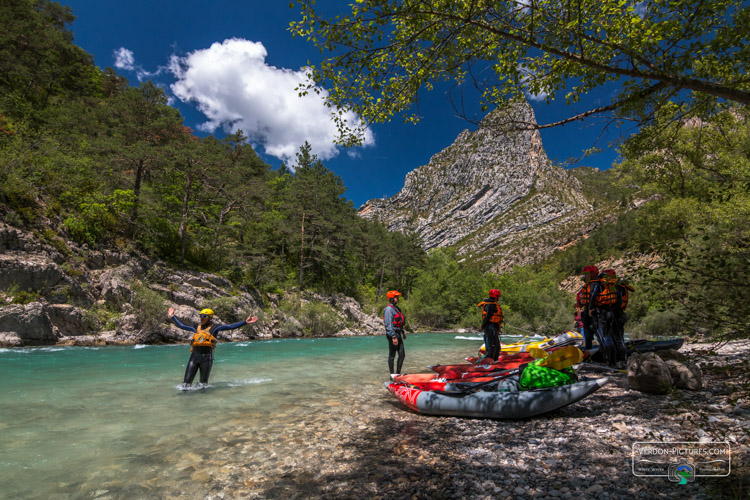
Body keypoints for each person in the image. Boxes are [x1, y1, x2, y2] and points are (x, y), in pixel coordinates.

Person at [168, 307, 258, 389]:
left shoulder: (215, 328)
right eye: (200, 316)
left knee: (203, 385)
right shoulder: (196, 327)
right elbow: (182, 326)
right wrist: (173, 316)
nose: (201, 318)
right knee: (185, 385)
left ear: (209, 318)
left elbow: (230, 326)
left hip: (207, 359)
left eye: (204, 316)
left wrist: (245, 322)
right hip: (194, 358)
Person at [588, 270, 620, 367]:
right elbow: (619, 300)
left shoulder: (599, 285)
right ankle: (614, 361)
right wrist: (613, 309)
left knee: (602, 337)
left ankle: (606, 361)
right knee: (609, 337)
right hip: (611, 313)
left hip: (600, 313)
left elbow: (593, 297)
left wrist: (590, 308)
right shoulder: (612, 286)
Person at [576, 265, 599, 350]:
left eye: (586, 274)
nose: (584, 276)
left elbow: (592, 297)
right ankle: (589, 349)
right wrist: (579, 304)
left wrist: (591, 308)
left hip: (593, 311)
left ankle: (608, 358)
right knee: (590, 332)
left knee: (594, 333)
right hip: (590, 310)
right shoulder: (590, 285)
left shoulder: (594, 284)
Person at [477, 289, 503, 363]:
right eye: (498, 296)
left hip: (493, 327)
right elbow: (487, 317)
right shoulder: (490, 305)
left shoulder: (492, 304)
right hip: (490, 327)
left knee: (497, 347)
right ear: (495, 296)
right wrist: (482, 326)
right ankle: (489, 362)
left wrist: (497, 329)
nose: (499, 298)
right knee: (493, 347)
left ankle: (494, 361)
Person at [383, 290, 406, 375]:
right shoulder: (389, 309)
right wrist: (393, 336)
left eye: (397, 297)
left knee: (402, 355)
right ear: (391, 298)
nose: (398, 298)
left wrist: (402, 332)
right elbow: (388, 324)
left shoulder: (396, 309)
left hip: (398, 333)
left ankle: (398, 373)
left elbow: (399, 322)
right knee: (392, 355)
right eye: (396, 297)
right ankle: (392, 375)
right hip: (393, 334)